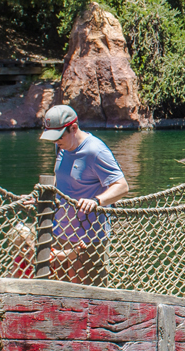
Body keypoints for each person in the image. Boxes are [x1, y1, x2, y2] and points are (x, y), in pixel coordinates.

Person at [40, 104, 129, 284]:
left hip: (88, 239)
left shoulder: (95, 151)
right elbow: (62, 183)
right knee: (59, 292)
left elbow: (122, 186)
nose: (55, 141)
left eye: (58, 136)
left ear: (73, 128)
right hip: (60, 232)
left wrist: (97, 201)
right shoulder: (62, 146)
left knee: (90, 297)